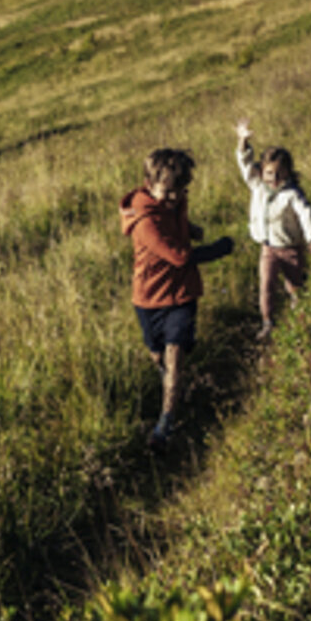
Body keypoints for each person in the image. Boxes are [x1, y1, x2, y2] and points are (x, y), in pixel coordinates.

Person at [120, 147, 232, 447]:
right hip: (148, 298)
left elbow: (176, 226)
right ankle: (171, 380)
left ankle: (166, 421)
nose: (175, 198)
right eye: (168, 192)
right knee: (158, 354)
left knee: (174, 355)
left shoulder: (174, 202)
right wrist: (218, 249)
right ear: (149, 183)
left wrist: (190, 227)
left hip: (182, 293)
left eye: (181, 191)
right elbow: (177, 256)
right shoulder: (144, 222)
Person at [234, 120, 311, 337]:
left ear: (288, 172)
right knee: (266, 284)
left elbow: (306, 215)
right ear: (261, 172)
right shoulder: (258, 186)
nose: (273, 179)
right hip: (268, 248)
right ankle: (267, 322)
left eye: (279, 173)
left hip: (291, 248)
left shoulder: (292, 194)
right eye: (268, 173)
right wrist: (243, 141)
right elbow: (245, 165)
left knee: (295, 284)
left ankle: (300, 311)